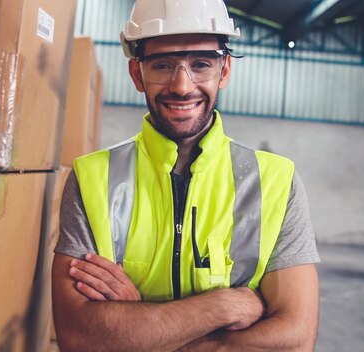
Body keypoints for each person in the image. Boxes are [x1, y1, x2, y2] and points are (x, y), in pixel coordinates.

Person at [52, 0, 320, 350]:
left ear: (223, 71)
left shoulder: (276, 182)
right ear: (137, 75)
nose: (181, 85)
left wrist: (141, 328)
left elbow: (294, 341)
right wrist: (225, 306)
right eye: (162, 65)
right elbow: (81, 337)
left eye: (201, 64)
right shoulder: (92, 179)